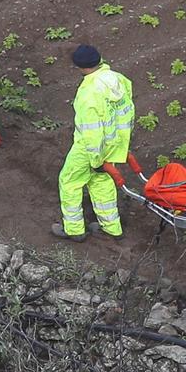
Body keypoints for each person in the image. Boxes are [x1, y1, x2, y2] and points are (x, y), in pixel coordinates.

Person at [51, 44, 134, 243]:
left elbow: (92, 131)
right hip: (114, 143)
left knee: (69, 181)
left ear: (79, 67)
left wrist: (95, 159)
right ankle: (112, 228)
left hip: (90, 148)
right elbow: (128, 110)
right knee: (102, 182)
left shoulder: (88, 92)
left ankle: (74, 229)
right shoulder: (119, 79)